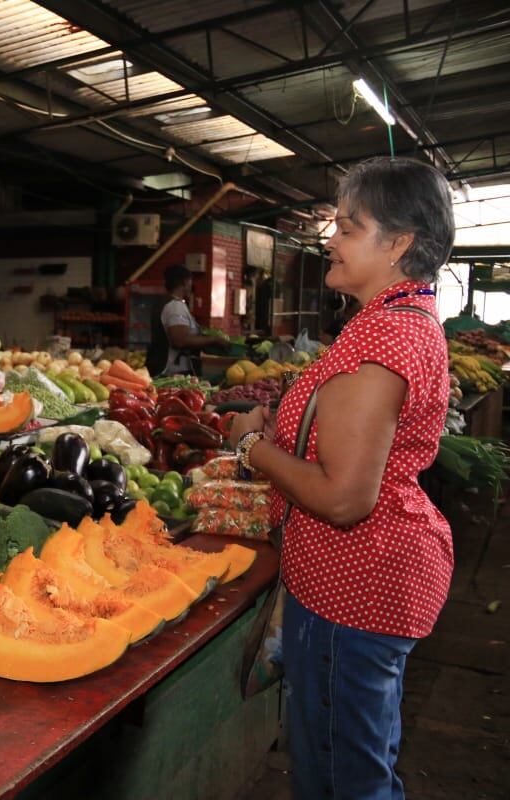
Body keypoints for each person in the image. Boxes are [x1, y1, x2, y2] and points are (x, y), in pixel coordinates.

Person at [229, 157, 455, 800]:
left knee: (339, 779)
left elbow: (344, 497)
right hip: (366, 579)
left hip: (350, 586)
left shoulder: (385, 334)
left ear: (399, 244)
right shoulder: (401, 322)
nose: (331, 239)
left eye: (349, 228)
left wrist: (250, 445)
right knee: (361, 759)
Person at [153, 264, 225, 375]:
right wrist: (213, 339)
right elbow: (180, 340)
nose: (191, 284)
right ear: (184, 282)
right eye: (190, 280)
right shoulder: (175, 307)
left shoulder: (171, 303)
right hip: (173, 372)